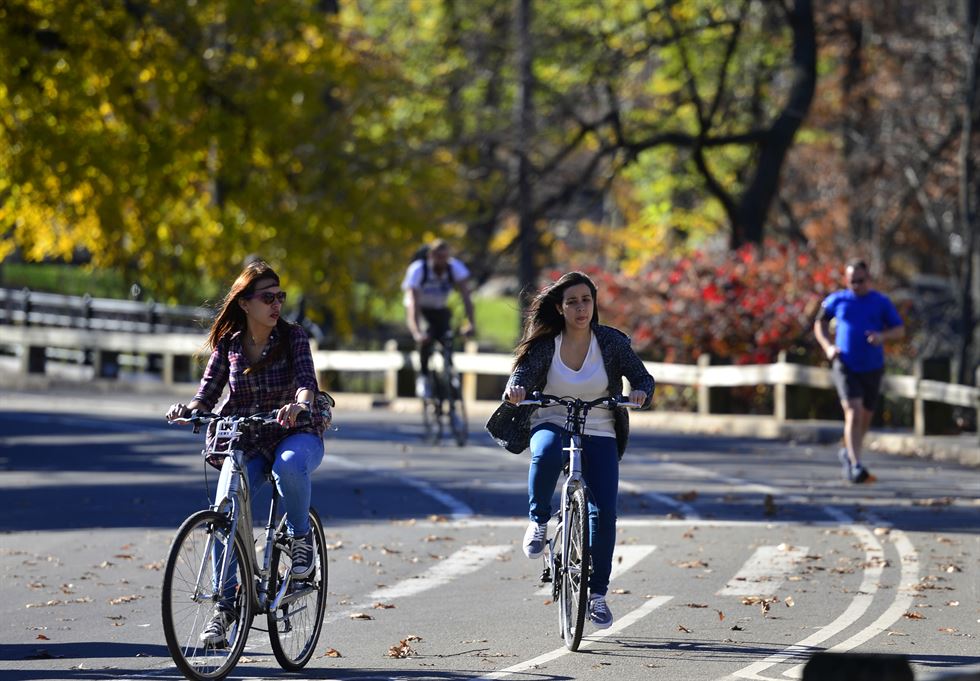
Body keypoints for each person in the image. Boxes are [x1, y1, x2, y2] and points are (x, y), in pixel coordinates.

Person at [166, 259, 329, 645]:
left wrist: (299, 405)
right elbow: (207, 391)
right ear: (245, 303)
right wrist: (189, 409)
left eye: (280, 297)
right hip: (248, 436)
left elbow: (306, 382)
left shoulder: (293, 337)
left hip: (295, 431)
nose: (276, 304)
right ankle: (226, 607)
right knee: (226, 507)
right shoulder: (230, 345)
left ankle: (301, 539)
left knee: (289, 468)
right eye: (267, 297)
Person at [486, 271, 654, 629]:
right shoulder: (548, 344)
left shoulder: (610, 342)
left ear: (594, 305)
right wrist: (516, 390)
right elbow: (522, 375)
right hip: (552, 417)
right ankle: (538, 521)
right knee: (545, 454)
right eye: (572, 302)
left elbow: (643, 378)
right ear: (560, 309)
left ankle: (597, 596)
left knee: (604, 512)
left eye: (586, 301)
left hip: (599, 425)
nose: (581, 308)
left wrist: (640, 392)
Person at [814, 259, 904, 484]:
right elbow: (819, 323)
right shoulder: (837, 300)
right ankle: (855, 465)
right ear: (846, 280)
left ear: (869, 279)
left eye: (861, 281)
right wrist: (828, 347)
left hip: (872, 366)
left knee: (865, 416)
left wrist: (882, 336)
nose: (856, 285)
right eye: (852, 281)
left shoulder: (880, 302)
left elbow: (899, 329)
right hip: (845, 364)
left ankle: (849, 452)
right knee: (853, 411)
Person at [401, 239, 477, 398]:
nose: (442, 262)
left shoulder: (454, 267)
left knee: (447, 338)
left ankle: (450, 375)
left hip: (439, 308)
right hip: (421, 309)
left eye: (445, 257)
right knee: (425, 339)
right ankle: (423, 377)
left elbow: (467, 297)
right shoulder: (418, 270)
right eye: (438, 257)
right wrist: (417, 332)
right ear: (430, 256)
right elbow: (413, 304)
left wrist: (470, 322)